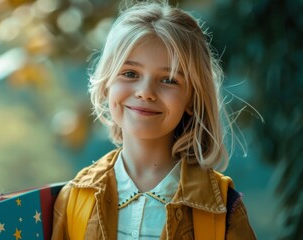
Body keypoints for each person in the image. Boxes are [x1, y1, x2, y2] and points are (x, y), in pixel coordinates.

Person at [52, 0, 257, 239]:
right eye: (130, 73)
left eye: (169, 79)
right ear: (107, 84)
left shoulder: (223, 209)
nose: (145, 91)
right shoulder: (74, 198)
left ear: (193, 99)